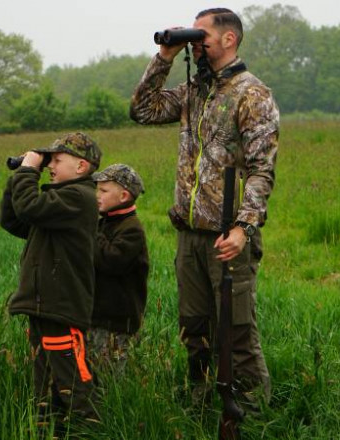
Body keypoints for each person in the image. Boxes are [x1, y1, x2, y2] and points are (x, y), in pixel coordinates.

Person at [129, 8, 280, 410]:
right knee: (194, 329)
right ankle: (200, 404)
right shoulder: (193, 90)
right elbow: (142, 110)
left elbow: (262, 170)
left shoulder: (253, 94)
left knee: (237, 332)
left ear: (229, 39)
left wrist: (244, 227)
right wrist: (164, 57)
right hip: (190, 235)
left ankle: (251, 413)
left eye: (203, 35)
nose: (196, 43)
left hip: (229, 237)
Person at [0, 132, 103, 432]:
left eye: (57, 160)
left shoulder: (79, 197)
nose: (51, 166)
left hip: (62, 304)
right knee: (45, 386)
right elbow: (14, 219)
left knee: (73, 381)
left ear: (81, 167)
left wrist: (29, 170)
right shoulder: (59, 203)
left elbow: (30, 207)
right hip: (46, 305)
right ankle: (49, 431)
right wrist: (20, 175)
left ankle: (92, 430)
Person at [88, 164, 149, 373]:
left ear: (123, 196)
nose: (97, 195)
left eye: (103, 191)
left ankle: (110, 407)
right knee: (92, 373)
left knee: (108, 378)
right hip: (97, 317)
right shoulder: (105, 222)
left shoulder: (131, 229)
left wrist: (88, 228)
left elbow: (110, 260)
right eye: (97, 189)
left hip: (116, 321)